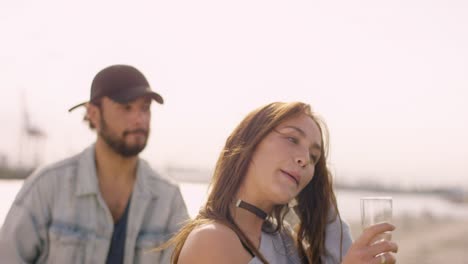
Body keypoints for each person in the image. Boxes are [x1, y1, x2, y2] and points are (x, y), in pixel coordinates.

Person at [163, 101, 398, 264]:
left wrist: (320, 197)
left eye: (314, 157)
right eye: (292, 138)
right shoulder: (212, 240)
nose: (305, 159)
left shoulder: (284, 241)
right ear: (249, 142)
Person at [0, 64, 190, 263]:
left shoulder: (168, 199)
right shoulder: (46, 187)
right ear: (93, 114)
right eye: (126, 107)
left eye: (145, 108)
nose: (139, 119)